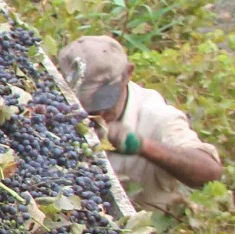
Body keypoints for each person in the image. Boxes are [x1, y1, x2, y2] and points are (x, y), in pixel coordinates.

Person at [57, 35, 223, 213]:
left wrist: (143, 146)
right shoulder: (59, 103)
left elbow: (210, 172)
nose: (99, 113)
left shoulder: (157, 116)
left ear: (128, 74)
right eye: (87, 104)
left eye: (104, 99)